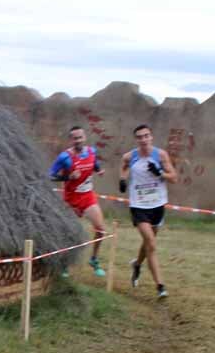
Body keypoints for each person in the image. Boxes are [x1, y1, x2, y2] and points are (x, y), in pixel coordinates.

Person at [119, 124, 177, 299]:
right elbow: (123, 166)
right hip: (139, 205)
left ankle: (137, 264)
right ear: (136, 139)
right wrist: (122, 179)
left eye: (146, 136)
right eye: (140, 137)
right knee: (151, 243)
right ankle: (160, 286)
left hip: (157, 204)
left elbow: (173, 178)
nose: (143, 139)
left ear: (151, 137)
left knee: (148, 243)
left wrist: (160, 173)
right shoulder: (130, 156)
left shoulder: (160, 155)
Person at [49, 126, 108, 276]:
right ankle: (64, 263)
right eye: (75, 138)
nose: (78, 140)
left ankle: (94, 259)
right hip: (71, 200)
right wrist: (68, 177)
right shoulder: (65, 157)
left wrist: (99, 170)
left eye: (80, 137)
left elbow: (93, 163)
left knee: (101, 229)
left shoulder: (91, 151)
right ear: (71, 140)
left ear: (85, 137)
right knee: (69, 233)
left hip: (88, 197)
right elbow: (50, 175)